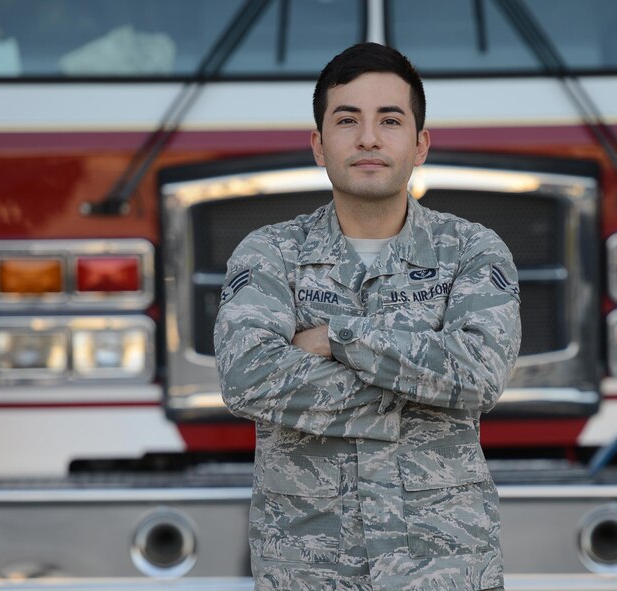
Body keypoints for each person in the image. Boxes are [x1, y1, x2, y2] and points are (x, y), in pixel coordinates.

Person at [214, 42, 522, 591]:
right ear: (318, 144)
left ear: (421, 143)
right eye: (347, 119)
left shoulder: (473, 251)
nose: (369, 138)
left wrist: (337, 337)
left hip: (445, 563)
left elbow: (480, 375)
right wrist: (423, 393)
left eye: (390, 120)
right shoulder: (269, 254)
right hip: (307, 566)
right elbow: (247, 379)